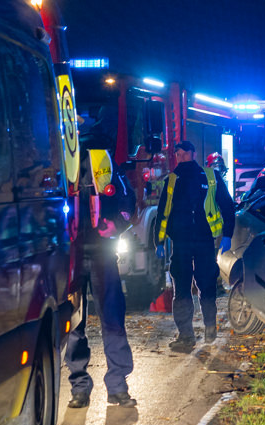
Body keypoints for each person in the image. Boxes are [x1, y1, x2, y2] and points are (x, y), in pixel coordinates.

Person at [66, 132, 138, 408]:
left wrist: (116, 225)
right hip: (71, 256)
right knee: (74, 323)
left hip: (100, 254)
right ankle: (79, 388)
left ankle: (118, 386)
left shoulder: (101, 159)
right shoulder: (58, 160)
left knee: (112, 319)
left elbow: (126, 200)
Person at [154, 140, 236, 352]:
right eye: (177, 154)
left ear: (193, 153)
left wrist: (227, 235)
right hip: (180, 242)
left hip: (204, 240)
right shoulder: (172, 180)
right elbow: (163, 212)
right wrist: (159, 241)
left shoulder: (210, 177)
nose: (180, 157)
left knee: (207, 284)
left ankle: (210, 325)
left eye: (183, 154)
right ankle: (185, 336)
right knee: (181, 288)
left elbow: (228, 206)